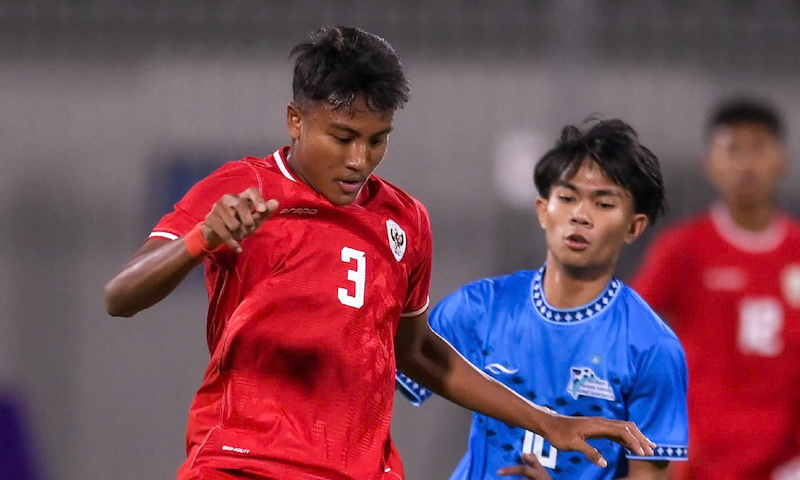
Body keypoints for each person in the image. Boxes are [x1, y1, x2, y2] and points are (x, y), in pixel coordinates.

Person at [104, 27, 654, 480]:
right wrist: (200, 239)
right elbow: (120, 296)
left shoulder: (405, 221)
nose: (360, 159)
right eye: (342, 138)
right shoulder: (241, 188)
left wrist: (546, 422)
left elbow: (419, 354)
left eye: (377, 139)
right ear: (296, 120)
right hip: (246, 465)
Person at [398, 119, 688, 480]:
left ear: (634, 226)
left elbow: (652, 475)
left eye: (603, 203)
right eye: (567, 198)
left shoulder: (653, 347)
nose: (580, 216)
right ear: (542, 210)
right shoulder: (479, 307)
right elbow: (382, 373)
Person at [631, 98, 800, 480]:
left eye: (758, 148)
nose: (746, 163)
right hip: (704, 459)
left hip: (787, 460)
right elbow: (628, 327)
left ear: (781, 161)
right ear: (711, 164)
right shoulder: (685, 249)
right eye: (733, 149)